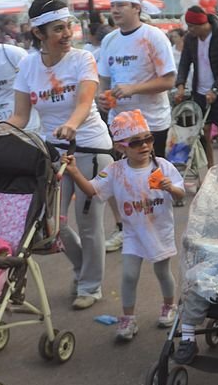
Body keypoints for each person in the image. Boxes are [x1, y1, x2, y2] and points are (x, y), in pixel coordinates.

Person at [9, 0, 112, 310]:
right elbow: (20, 117)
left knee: (88, 222)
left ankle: (91, 286)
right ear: (39, 33)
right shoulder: (28, 65)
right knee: (52, 222)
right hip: (52, 154)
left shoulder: (83, 59)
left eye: (68, 26)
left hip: (90, 147)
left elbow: (85, 102)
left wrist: (71, 124)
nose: (66, 33)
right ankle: (82, 269)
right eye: (57, 29)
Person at [63, 110, 184, 341]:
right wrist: (75, 171)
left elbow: (180, 195)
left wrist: (170, 188)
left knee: (162, 271)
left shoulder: (163, 167)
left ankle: (170, 305)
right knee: (129, 275)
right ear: (121, 148)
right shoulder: (116, 171)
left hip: (159, 230)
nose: (145, 145)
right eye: (136, 142)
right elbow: (92, 190)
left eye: (148, 139)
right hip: (133, 233)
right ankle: (128, 318)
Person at [97, 0, 177, 159]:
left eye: (121, 5)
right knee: (123, 177)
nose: (115, 10)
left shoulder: (153, 36)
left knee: (150, 180)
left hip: (151, 123)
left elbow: (169, 80)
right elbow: (104, 79)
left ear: (136, 8)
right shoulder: (109, 40)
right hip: (119, 123)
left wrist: (133, 89)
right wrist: (101, 96)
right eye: (112, 5)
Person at [175, 5, 218, 167]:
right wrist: (181, 84)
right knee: (204, 132)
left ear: (203, 24)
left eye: (192, 27)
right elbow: (184, 63)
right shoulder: (190, 39)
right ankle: (211, 168)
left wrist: (216, 89)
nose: (189, 30)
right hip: (200, 91)